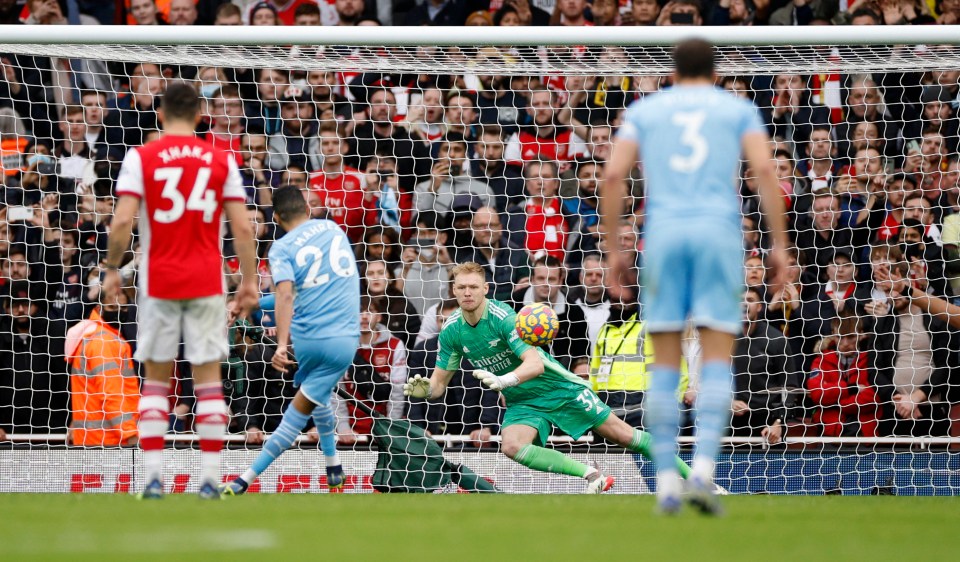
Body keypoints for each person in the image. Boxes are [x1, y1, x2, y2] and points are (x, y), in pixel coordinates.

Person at [601, 38, 789, 514]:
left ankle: (666, 478)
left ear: (672, 69)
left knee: (665, 363)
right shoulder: (737, 107)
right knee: (716, 359)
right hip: (718, 235)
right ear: (715, 69)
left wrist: (612, 248)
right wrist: (779, 244)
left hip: (663, 235)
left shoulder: (647, 109)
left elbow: (612, 177)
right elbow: (765, 169)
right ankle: (703, 471)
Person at [403, 262, 694, 494]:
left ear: (485, 288)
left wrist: (504, 381)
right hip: (524, 400)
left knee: (625, 436)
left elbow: (535, 365)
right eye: (462, 287)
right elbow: (439, 384)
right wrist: (425, 390)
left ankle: (697, 479)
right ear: (453, 290)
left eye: (473, 287)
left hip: (557, 388)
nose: (467, 292)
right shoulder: (452, 330)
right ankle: (591, 474)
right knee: (512, 446)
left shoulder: (504, 317)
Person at [103, 81, 260, 499]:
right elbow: (242, 226)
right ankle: (210, 480)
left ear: (159, 114)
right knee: (208, 381)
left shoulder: (142, 157)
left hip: (158, 279)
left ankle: (152, 479)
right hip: (206, 280)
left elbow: (121, 222)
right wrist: (248, 281)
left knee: (156, 381)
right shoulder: (220, 158)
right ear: (200, 116)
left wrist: (111, 269)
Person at [222, 184, 360, 496]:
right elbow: (296, 292)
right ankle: (333, 463)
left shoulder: (282, 248)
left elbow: (286, 293)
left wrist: (281, 344)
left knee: (298, 412)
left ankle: (242, 481)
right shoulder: (333, 230)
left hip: (309, 340)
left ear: (278, 218)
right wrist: (253, 304)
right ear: (307, 209)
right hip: (346, 340)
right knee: (317, 394)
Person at [66, 299, 140, 447]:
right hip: (109, 443)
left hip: (92, 440)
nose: (120, 311)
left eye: (123, 307)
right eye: (113, 306)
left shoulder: (90, 336)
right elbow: (112, 395)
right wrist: (130, 434)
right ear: (99, 308)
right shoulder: (104, 342)